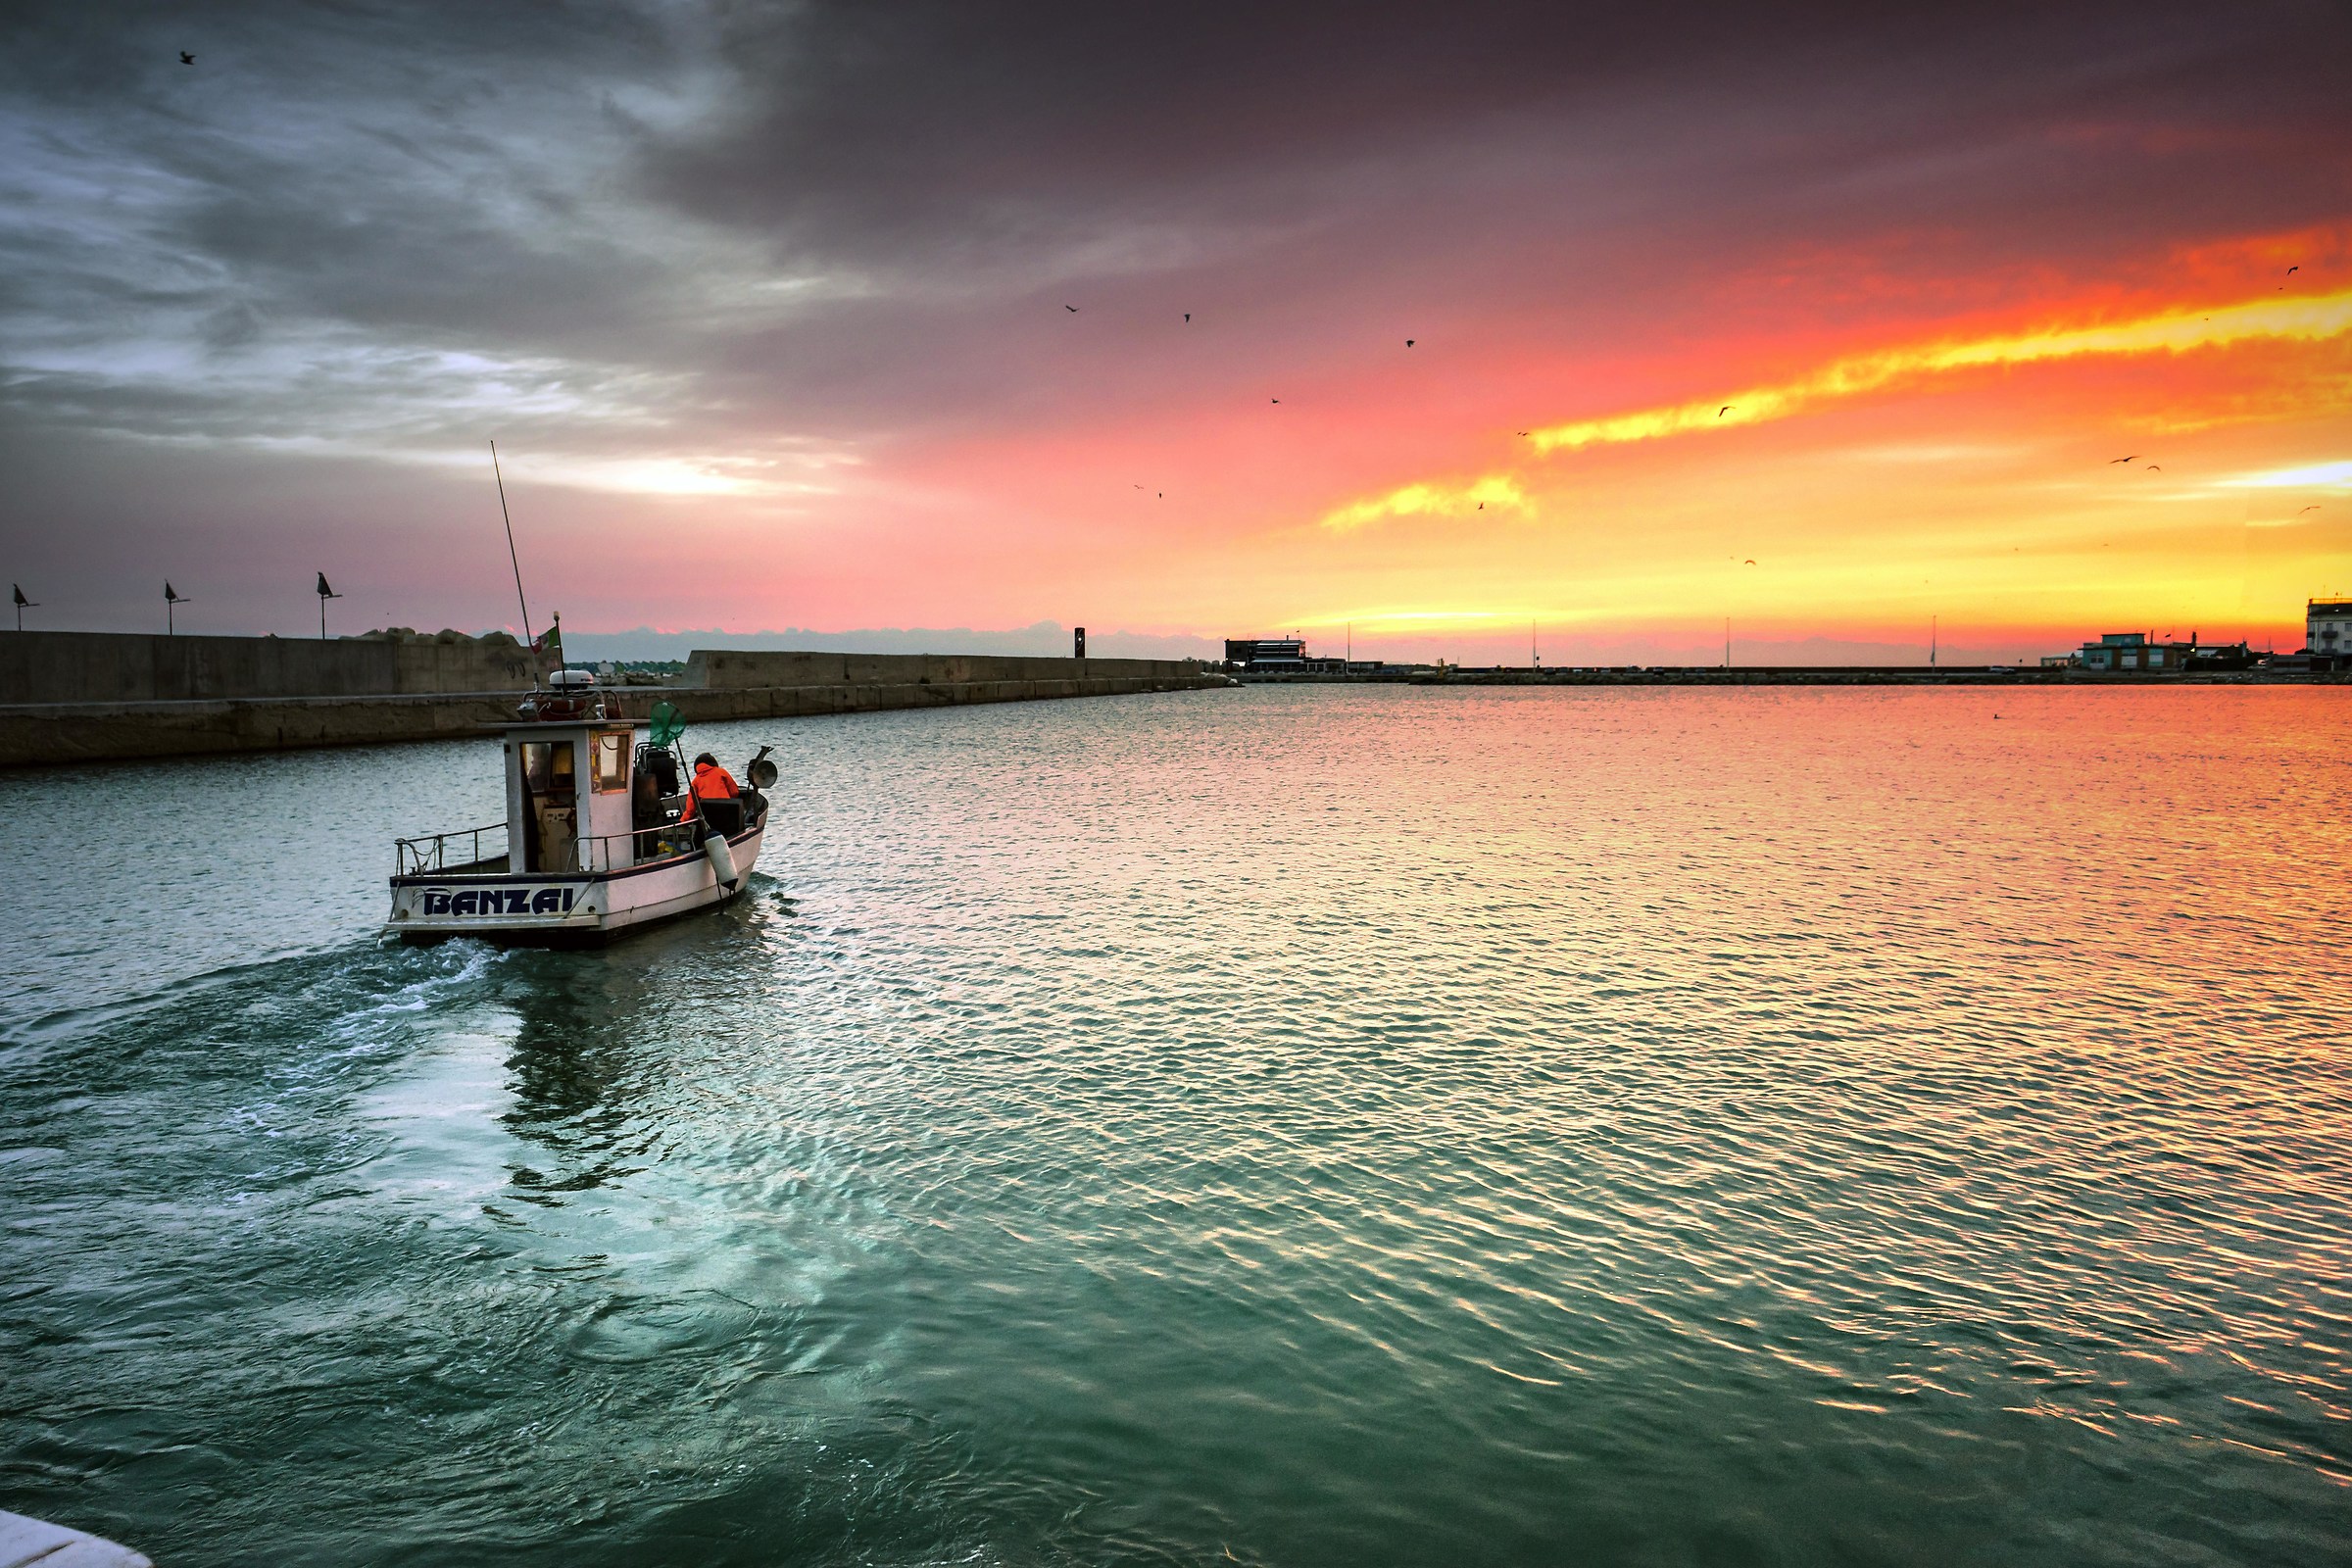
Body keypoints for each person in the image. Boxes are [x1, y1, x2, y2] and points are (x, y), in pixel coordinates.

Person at [677, 751, 740, 837]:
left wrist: (683, 821)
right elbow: (735, 792)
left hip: (708, 818)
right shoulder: (721, 772)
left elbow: (691, 807)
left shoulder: (696, 781)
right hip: (726, 813)